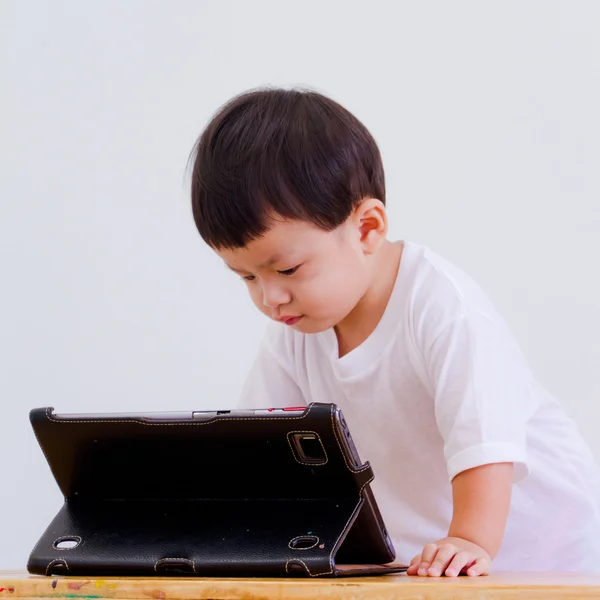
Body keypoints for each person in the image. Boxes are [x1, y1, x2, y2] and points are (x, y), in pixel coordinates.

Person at [189, 87, 600, 575]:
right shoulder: (295, 333)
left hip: (539, 555)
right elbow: (260, 451)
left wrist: (470, 539)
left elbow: (486, 446)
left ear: (367, 228)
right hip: (425, 562)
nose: (268, 298)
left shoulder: (443, 309)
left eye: (289, 269)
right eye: (247, 277)